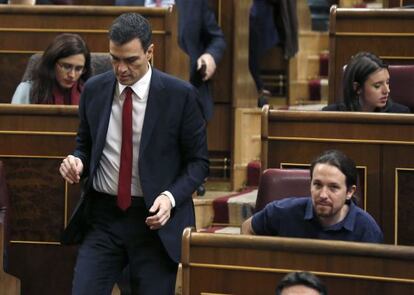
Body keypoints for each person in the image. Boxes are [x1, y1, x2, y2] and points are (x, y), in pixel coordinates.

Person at [59, 12, 208, 295]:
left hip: (154, 221)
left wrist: (170, 197)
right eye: (115, 58)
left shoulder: (180, 96)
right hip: (104, 216)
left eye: (130, 60)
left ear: (150, 52)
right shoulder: (94, 90)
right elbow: (85, 145)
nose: (121, 68)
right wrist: (77, 161)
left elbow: (198, 163)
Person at [241, 149, 383, 243]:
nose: (323, 195)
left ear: (350, 192)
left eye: (333, 187)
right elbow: (247, 228)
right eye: (317, 185)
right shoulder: (282, 212)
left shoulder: (367, 229)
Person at [11, 33, 91, 105]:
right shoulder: (26, 90)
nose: (72, 75)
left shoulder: (89, 93)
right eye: (66, 66)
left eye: (78, 69)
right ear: (52, 63)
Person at [323, 52, 410, 113]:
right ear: (357, 88)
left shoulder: (399, 114)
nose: (387, 90)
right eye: (377, 85)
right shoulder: (331, 115)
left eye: (387, 82)